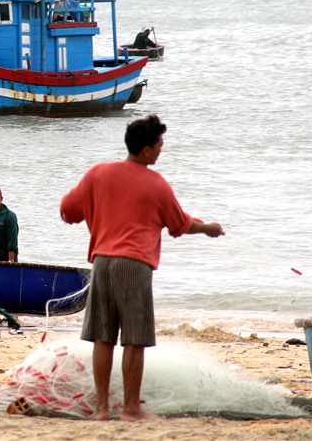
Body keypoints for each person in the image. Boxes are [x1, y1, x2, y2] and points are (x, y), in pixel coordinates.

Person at [59, 114, 224, 421]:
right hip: (134, 266)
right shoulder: (156, 185)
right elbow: (180, 224)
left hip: (103, 263)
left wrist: (96, 214)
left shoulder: (97, 174)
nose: (161, 150)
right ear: (147, 150)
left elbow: (67, 211)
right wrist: (208, 228)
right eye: (159, 145)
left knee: (103, 337)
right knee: (134, 338)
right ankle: (131, 409)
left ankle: (102, 409)